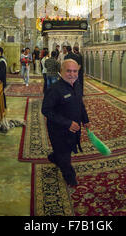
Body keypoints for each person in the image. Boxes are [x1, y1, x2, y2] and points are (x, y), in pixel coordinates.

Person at [41, 59, 89, 187]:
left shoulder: (77, 85)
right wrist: (67, 123)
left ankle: (54, 157)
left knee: (67, 149)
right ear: (61, 72)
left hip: (73, 129)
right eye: (68, 71)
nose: (72, 74)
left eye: (75, 71)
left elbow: (80, 104)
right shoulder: (54, 89)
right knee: (65, 157)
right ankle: (70, 179)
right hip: (58, 131)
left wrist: (85, 119)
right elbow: (46, 110)